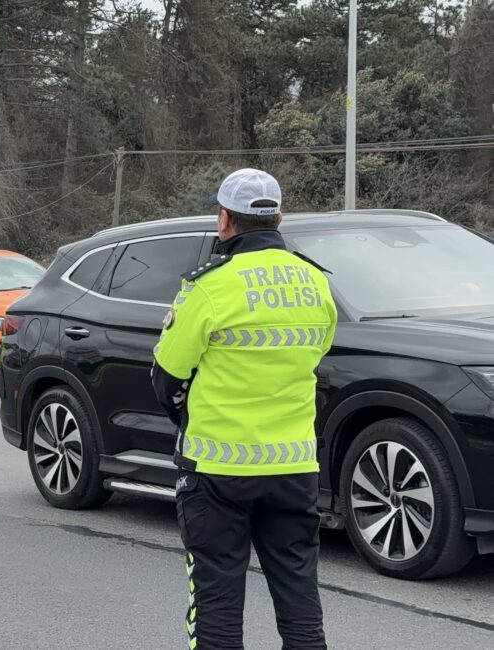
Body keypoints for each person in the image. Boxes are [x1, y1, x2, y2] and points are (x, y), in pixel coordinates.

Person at [150, 168, 337, 649]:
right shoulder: (315, 283)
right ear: (279, 217)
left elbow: (167, 377)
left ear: (224, 221)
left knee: (216, 609)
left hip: (216, 471)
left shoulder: (209, 287)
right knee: (300, 607)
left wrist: (185, 417)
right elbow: (315, 359)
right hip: (294, 468)